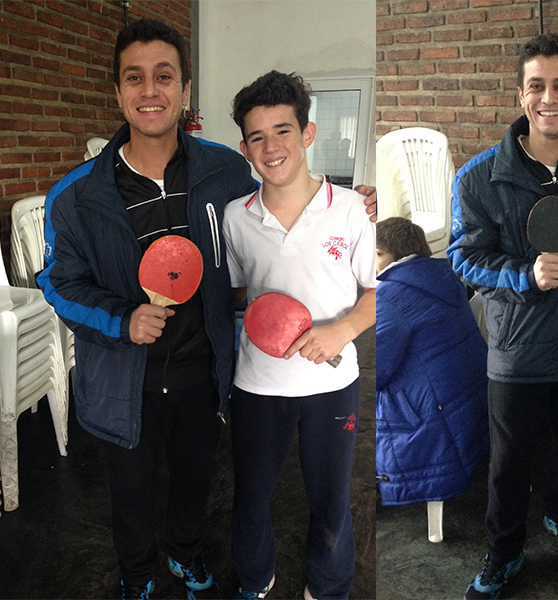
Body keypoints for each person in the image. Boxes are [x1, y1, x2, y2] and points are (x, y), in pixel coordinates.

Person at [37, 20, 375, 600]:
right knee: (131, 493)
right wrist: (121, 320)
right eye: (134, 78)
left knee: (197, 482)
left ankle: (187, 557)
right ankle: (137, 576)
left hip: (204, 371)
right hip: (124, 376)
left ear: (185, 90)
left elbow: (256, 240)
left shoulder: (225, 171)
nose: (150, 90)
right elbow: (58, 284)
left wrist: (358, 204)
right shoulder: (75, 194)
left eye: (164, 76)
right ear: (117, 92)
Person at [447, 34, 558, 600]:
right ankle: (503, 552)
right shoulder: (479, 177)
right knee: (509, 464)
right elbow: (463, 259)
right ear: (520, 94)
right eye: (537, 86)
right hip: (517, 351)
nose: (549, 98)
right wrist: (524, 276)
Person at [223, 71, 376, 600]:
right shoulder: (235, 219)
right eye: (257, 137)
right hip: (257, 386)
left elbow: (378, 290)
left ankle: (328, 587)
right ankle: (254, 580)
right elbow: (239, 293)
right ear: (245, 149)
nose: (272, 147)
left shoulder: (354, 210)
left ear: (308, 133)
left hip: (332, 388)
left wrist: (343, 330)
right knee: (250, 498)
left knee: (331, 500)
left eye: (283, 131)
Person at [376, 217, 489, 507]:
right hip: (472, 408)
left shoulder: (389, 298)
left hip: (433, 427)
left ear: (387, 255)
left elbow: (375, 373)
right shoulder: (445, 276)